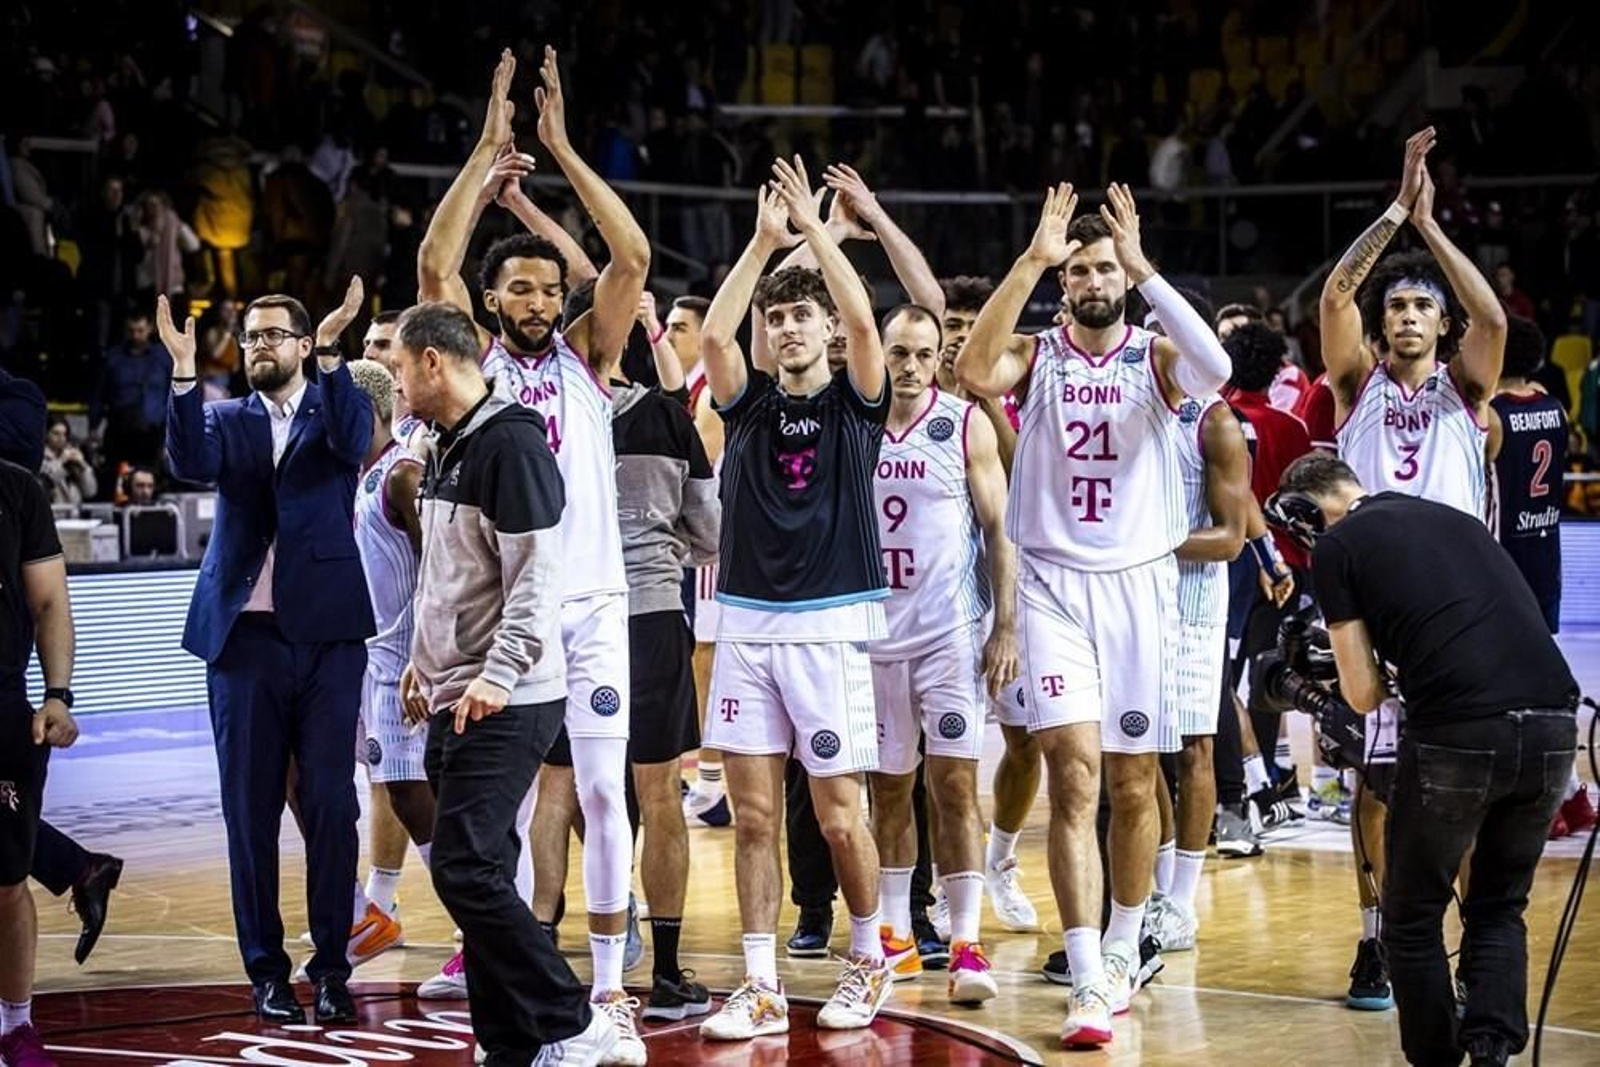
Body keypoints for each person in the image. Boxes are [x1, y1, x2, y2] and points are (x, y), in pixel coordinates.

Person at [956, 182, 1232, 1048]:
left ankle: (1122, 947)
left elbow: (1218, 370)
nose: (1091, 278)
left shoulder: (1157, 358)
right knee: (1072, 774)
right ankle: (1083, 975)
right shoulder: (1035, 355)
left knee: (1133, 781)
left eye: (1102, 265)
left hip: (1141, 587)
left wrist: (1149, 269)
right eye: (1078, 269)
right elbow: (968, 369)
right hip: (1050, 586)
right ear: (1064, 282)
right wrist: (1029, 259)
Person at [415, 50, 650, 1055]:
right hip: (497, 609)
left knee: (601, 791)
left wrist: (557, 146)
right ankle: (521, 997)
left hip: (587, 600)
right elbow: (433, 267)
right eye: (519, 287)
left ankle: (602, 999)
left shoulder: (588, 355)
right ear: (494, 297)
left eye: (550, 288)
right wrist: (482, 148)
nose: (539, 300)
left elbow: (630, 261)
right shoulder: (472, 371)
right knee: (495, 822)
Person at [1268, 453, 1579, 1067]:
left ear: (1308, 512)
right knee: (1498, 903)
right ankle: (1491, 1049)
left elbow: (1362, 694)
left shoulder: (1338, 547)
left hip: (1462, 734)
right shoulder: (1451, 517)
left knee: (1411, 916)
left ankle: (1436, 1057)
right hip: (1555, 724)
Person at [696, 158, 895, 1040]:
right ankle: (763, 982)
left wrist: (817, 235)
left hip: (829, 625)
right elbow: (711, 340)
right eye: (774, 318)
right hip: (744, 623)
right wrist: (763, 244)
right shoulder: (744, 406)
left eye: (796, 316)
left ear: (827, 331)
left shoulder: (858, 401)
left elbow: (861, 313)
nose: (783, 330)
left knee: (839, 813)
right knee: (754, 817)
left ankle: (867, 957)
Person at [391, 302, 616, 1066]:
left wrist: (497, 670)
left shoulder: (511, 444)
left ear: (431, 361)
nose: (394, 383)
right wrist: (423, 663)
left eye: (397, 366)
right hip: (453, 692)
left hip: (509, 696)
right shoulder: (446, 443)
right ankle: (511, 1040)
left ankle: (574, 1018)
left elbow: (535, 576)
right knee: (474, 871)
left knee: (464, 865)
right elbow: (448, 573)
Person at [1318, 126, 1508, 1013]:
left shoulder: (1468, 391)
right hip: (1375, 608)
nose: (1403, 316)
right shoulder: (1353, 384)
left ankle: (1470, 948)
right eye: (1395, 305)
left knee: (1461, 790)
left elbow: (1496, 319)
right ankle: (1377, 941)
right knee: (1379, 788)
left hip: (1461, 611)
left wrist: (1433, 233)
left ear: (1440, 325)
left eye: (1420, 308)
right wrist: (1397, 209)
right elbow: (1334, 294)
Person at [160, 279, 375, 1025]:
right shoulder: (222, 417)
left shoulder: (336, 404)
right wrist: (184, 373)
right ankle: (266, 973)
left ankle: (334, 968)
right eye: (251, 336)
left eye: (274, 335)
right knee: (248, 812)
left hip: (328, 637)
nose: (260, 346)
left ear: (305, 345)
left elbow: (355, 440)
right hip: (243, 641)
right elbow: (187, 457)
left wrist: (340, 357)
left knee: (330, 803)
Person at [867, 302, 1014, 1004]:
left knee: (953, 785)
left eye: (924, 354)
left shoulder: (964, 423)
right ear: (879, 350)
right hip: (871, 635)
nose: (910, 366)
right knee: (887, 786)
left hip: (949, 633)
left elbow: (1000, 529)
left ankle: (965, 939)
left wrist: (1006, 624)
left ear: (939, 359)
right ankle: (894, 933)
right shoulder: (856, 423)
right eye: (899, 351)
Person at [937, 274, 1043, 934]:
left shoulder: (1012, 405)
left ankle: (1001, 858)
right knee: (941, 759)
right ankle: (947, 887)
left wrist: (987, 401)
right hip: (939, 601)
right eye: (953, 327)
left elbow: (1023, 480)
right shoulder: (906, 400)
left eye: (974, 330)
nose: (959, 340)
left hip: (1015, 592)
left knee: (1025, 738)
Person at [1487, 317, 1597, 839]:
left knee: (1514, 695)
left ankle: (1547, 796)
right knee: (1537, 684)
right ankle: (1573, 793)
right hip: (1545, 557)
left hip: (1502, 561)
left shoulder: (1491, 416)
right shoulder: (1553, 406)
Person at [344, 360, 429, 961]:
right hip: (370, 657)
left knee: (413, 793)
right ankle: (367, 915)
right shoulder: (359, 473)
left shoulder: (401, 474)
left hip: (407, 659)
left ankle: (484, 922)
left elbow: (442, 567)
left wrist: (427, 654)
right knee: (393, 789)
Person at [0, 454, 81, 1067]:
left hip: (4, 707)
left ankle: (17, 1025)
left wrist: (57, 694)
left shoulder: (17, 489)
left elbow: (50, 601)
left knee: (6, 881)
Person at [91, 309, 174, 479]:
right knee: (118, 483)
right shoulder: (112, 357)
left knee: (151, 482)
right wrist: (93, 427)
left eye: (140, 331)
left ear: (150, 328)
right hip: (120, 430)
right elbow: (98, 395)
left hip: (154, 431)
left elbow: (172, 395)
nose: (136, 336)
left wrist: (171, 434)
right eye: (131, 331)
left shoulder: (163, 357)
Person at [40, 419, 98, 505]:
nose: (61, 438)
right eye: (56, 433)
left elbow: (90, 492)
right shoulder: (41, 458)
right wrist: (62, 462)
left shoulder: (72, 455)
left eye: (64, 434)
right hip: (54, 512)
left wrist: (83, 465)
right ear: (46, 434)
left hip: (74, 514)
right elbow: (45, 484)